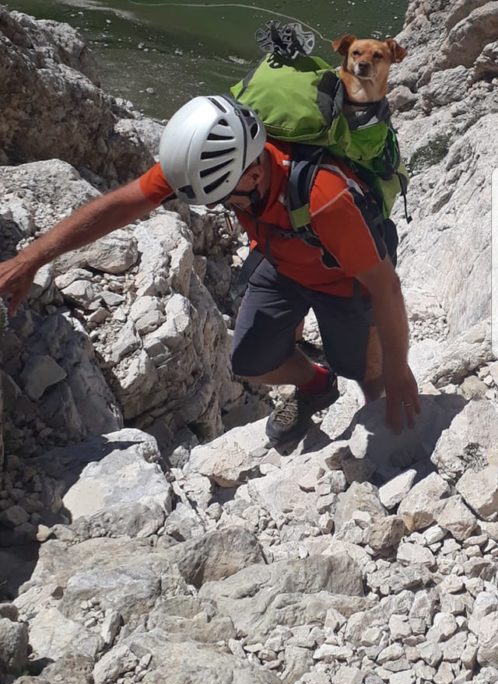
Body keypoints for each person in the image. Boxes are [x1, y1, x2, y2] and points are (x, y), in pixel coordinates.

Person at [0, 95, 420, 441]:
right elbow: (122, 205)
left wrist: (400, 370)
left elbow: (386, 288)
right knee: (251, 361)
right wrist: (32, 257)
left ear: (255, 173)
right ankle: (316, 383)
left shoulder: (324, 198)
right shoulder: (207, 159)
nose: (220, 205)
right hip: (282, 262)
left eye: (224, 198)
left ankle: (383, 426)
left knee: (368, 370)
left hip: (343, 278)